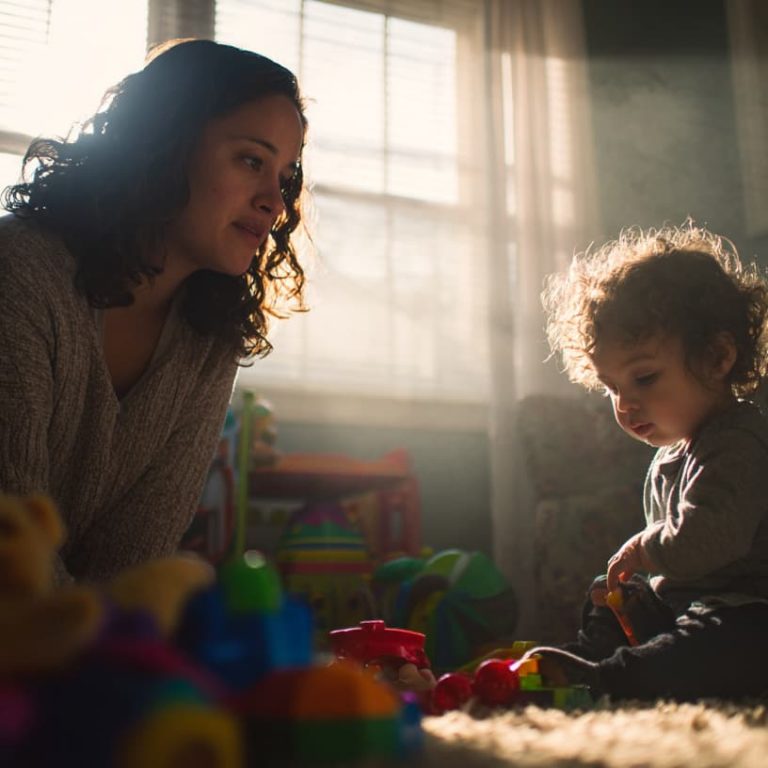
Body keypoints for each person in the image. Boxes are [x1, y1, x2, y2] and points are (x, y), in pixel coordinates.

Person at [0, 38, 310, 585]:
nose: (275, 201)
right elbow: (11, 544)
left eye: (283, 177)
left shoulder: (210, 340)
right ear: (166, 146)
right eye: (250, 160)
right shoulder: (20, 270)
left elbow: (135, 562)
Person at [532, 222, 768, 701]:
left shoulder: (739, 440)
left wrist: (643, 549)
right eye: (611, 388)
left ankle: (614, 678)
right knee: (611, 589)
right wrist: (635, 589)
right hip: (686, 606)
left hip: (748, 609)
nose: (624, 404)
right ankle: (594, 656)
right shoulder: (670, 454)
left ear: (718, 356)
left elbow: (712, 537)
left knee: (726, 639)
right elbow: (672, 572)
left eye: (644, 377)